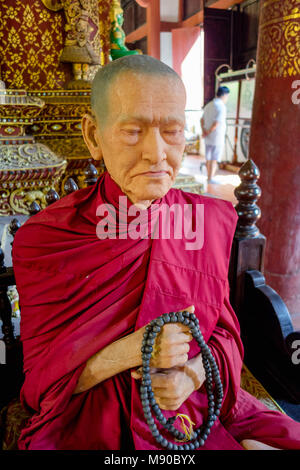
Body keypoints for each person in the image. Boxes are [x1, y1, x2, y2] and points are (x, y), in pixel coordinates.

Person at [12, 55, 300, 451]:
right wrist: (132, 350)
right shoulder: (47, 239)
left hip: (194, 401)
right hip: (95, 419)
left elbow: (226, 336)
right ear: (94, 136)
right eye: (132, 131)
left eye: (172, 131)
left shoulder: (207, 222)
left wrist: (194, 374)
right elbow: (38, 383)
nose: (156, 153)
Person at [201, 86, 230, 184]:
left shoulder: (209, 105)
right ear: (225, 95)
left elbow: (202, 119)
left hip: (208, 137)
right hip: (216, 137)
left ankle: (209, 177)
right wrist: (208, 132)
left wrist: (204, 132)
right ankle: (210, 178)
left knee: (208, 157)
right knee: (214, 158)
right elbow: (216, 123)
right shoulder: (221, 106)